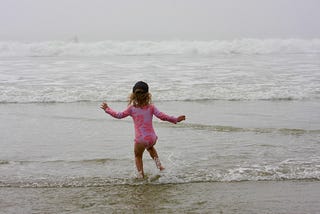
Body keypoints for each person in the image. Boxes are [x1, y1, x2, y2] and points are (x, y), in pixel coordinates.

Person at [100, 81, 186, 178]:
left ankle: (141, 175)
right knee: (150, 148)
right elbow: (162, 116)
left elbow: (119, 115)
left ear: (133, 95)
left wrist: (107, 109)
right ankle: (160, 166)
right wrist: (175, 119)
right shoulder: (151, 107)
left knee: (138, 156)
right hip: (152, 138)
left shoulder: (131, 108)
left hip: (140, 139)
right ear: (148, 95)